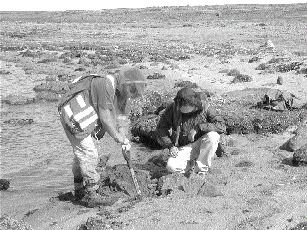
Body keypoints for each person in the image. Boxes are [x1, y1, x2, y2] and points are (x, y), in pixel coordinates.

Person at [58, 67, 146, 207]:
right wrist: (117, 137)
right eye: (131, 90)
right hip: (72, 116)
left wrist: (124, 142)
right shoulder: (105, 84)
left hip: (82, 117)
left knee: (82, 154)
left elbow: (121, 119)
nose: (130, 95)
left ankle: (79, 189)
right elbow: (105, 118)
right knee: (89, 153)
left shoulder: (122, 93)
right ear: (126, 83)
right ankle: (91, 193)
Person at [156, 87, 226, 176]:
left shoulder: (206, 107)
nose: (179, 108)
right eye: (178, 105)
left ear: (192, 104)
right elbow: (161, 128)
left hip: (203, 145)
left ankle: (201, 170)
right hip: (184, 147)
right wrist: (170, 146)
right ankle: (191, 165)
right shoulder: (173, 108)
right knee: (171, 167)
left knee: (213, 136)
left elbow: (221, 126)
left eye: (182, 106)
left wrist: (199, 127)